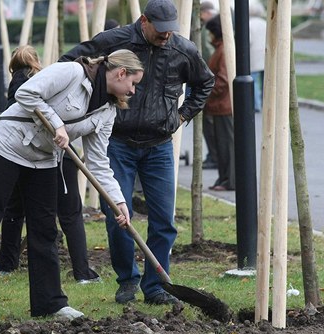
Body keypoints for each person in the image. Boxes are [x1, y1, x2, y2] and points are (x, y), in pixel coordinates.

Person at [0, 49, 144, 322]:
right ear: (120, 73)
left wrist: (118, 201)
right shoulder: (72, 72)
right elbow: (26, 93)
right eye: (133, 83)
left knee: (45, 229)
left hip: (43, 159)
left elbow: (98, 163)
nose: (133, 91)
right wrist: (57, 124)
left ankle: (49, 303)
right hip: (7, 146)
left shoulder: (107, 111)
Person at [60, 0, 215, 305]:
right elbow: (70, 62)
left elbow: (205, 83)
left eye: (171, 30)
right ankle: (127, 280)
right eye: (161, 30)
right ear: (144, 20)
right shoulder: (114, 41)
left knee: (163, 219)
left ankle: (156, 287)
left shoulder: (183, 51)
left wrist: (180, 116)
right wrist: (91, 102)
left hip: (159, 145)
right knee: (118, 213)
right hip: (117, 142)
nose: (166, 36)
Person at [0, 45, 101, 284]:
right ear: (36, 63)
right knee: (71, 212)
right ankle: (82, 271)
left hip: (34, 152)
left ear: (13, 64)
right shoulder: (43, 81)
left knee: (15, 208)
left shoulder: (19, 83)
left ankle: (6, 263)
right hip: (62, 151)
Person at [205, 15, 235, 191]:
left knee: (227, 146)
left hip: (223, 106)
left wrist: (206, 93)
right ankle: (224, 178)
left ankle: (229, 180)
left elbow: (223, 80)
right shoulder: (221, 49)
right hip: (219, 106)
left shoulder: (223, 51)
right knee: (223, 146)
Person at [200, 1, 219, 170]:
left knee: (210, 123)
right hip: (210, 80)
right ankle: (214, 156)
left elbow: (207, 51)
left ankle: (214, 156)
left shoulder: (206, 28)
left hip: (209, 81)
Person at [249, 0, 267, 113]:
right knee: (266, 81)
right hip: (266, 54)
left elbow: (248, 41)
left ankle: (257, 104)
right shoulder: (265, 23)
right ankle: (266, 102)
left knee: (254, 81)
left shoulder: (249, 24)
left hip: (254, 56)